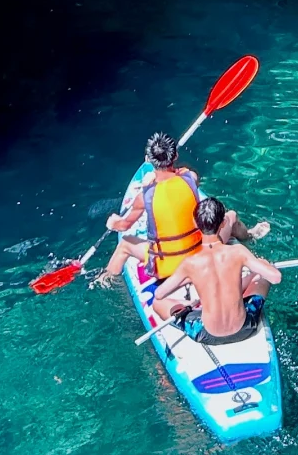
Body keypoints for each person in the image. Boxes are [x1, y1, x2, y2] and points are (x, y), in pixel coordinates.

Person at [94, 132, 269, 287]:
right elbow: (179, 178)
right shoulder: (191, 179)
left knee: (124, 245)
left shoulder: (145, 196)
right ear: (175, 155)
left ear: (149, 160)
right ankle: (249, 236)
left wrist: (113, 221)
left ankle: (106, 278)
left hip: (166, 265)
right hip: (199, 253)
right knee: (230, 216)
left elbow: (124, 226)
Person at [152, 196, 282, 345]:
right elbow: (275, 277)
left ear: (195, 223)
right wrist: (257, 267)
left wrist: (190, 286)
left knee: (157, 303)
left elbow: (160, 294)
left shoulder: (191, 263)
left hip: (207, 335)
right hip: (245, 328)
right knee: (263, 270)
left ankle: (191, 304)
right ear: (224, 222)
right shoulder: (238, 251)